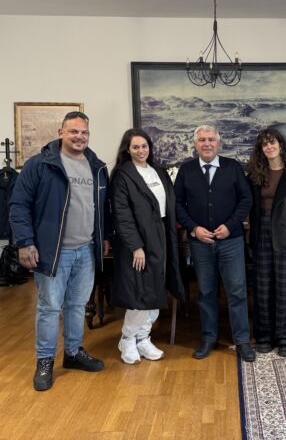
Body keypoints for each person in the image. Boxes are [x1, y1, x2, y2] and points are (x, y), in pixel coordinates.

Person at [9, 111, 111, 391]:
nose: (79, 137)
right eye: (73, 131)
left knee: (77, 305)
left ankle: (73, 353)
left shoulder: (97, 166)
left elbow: (103, 208)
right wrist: (25, 242)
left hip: (86, 250)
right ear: (61, 133)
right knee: (50, 307)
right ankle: (44, 361)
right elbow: (18, 205)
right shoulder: (40, 165)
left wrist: (104, 236)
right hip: (53, 251)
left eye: (84, 132)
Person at [174, 125, 255, 362]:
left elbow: (246, 199)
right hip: (200, 243)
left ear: (218, 144)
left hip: (231, 241)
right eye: (202, 140)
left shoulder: (232, 167)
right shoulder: (186, 170)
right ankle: (209, 338)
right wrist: (193, 228)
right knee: (206, 292)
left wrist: (230, 225)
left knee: (237, 291)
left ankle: (241, 340)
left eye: (211, 139)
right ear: (195, 144)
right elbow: (176, 204)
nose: (207, 143)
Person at [110, 128, 184, 365]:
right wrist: (136, 246)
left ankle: (143, 338)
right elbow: (122, 215)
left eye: (144, 146)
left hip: (161, 236)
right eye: (135, 147)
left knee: (156, 290)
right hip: (138, 241)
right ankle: (127, 339)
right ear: (127, 149)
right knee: (140, 293)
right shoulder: (123, 176)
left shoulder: (158, 172)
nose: (141, 150)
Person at [246, 128, 286, 357]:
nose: (269, 147)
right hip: (261, 233)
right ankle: (264, 337)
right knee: (262, 288)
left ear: (281, 145)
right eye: (265, 144)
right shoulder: (255, 173)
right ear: (261, 149)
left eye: (272, 142)